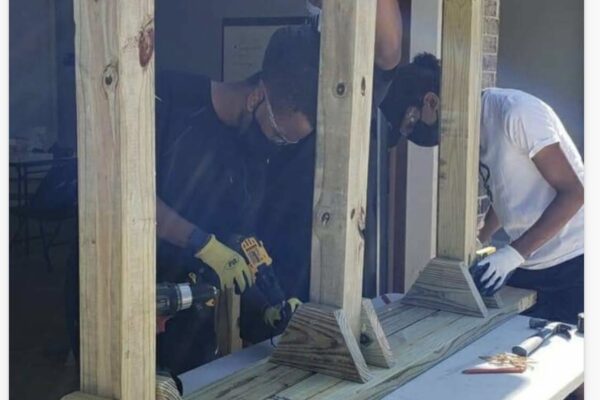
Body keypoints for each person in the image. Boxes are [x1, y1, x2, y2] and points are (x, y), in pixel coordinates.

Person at [154, 25, 320, 374]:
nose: (276, 146)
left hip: (192, 318)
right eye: (277, 133)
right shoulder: (166, 99)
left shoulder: (252, 152)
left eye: (287, 143)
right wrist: (201, 243)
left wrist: (271, 301)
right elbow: (129, 201)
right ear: (257, 96)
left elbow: (241, 235)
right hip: (132, 298)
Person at [379, 53, 584, 325]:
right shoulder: (470, 129)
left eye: (412, 123)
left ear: (431, 101)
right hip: (533, 263)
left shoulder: (515, 113)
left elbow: (575, 194)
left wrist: (513, 253)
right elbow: (506, 193)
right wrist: (481, 237)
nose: (413, 135)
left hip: (575, 263)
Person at [257, 0, 404, 303]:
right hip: (276, 240)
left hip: (335, 241)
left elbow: (388, 49)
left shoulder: (358, 62)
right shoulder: (290, 42)